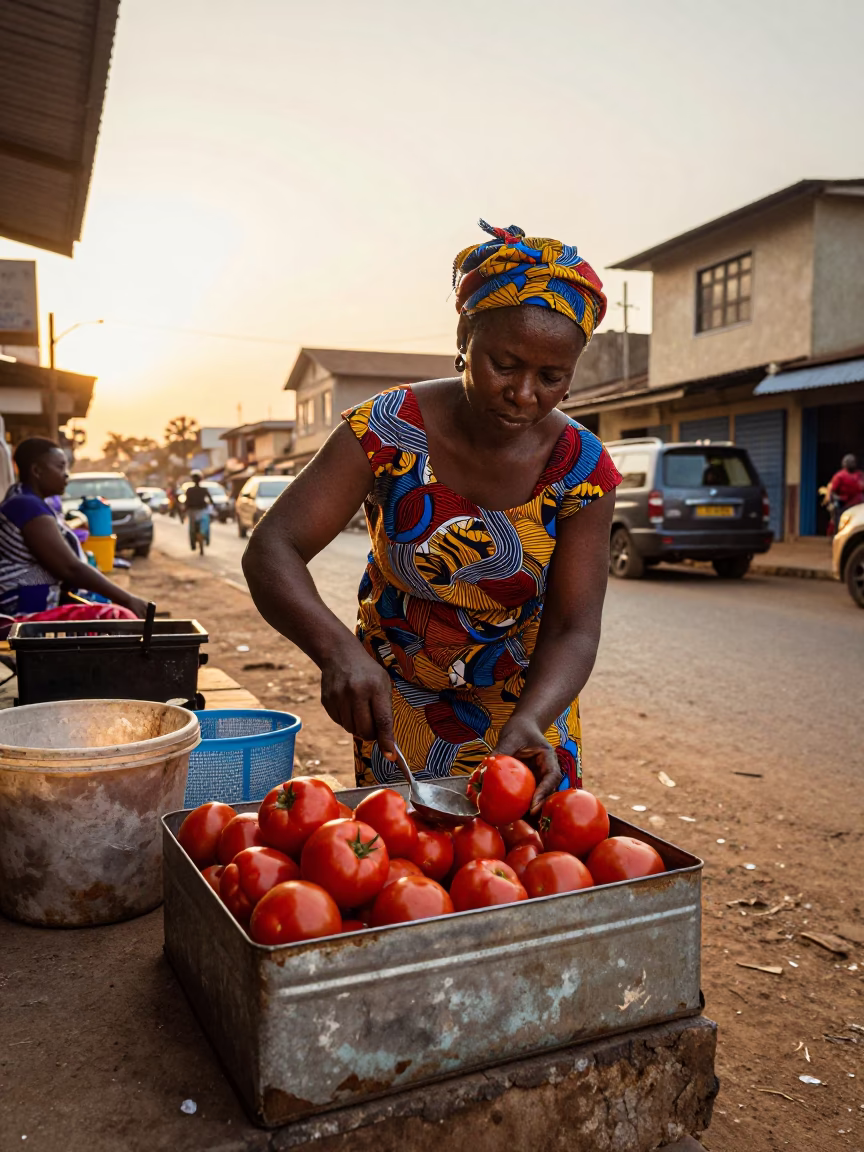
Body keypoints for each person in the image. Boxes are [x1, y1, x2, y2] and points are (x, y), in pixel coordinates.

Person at [244, 220, 621, 813]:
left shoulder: (581, 469)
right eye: (505, 363)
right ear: (464, 338)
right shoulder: (388, 428)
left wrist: (533, 720)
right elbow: (272, 549)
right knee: (400, 872)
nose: (523, 394)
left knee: (527, 875)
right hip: (397, 706)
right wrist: (338, 652)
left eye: (551, 378)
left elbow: (575, 626)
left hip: (525, 714)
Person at [0, 437, 149, 622]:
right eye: (60, 467)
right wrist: (127, 599)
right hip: (20, 611)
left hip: (27, 602)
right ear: (37, 470)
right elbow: (70, 568)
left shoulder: (25, 501)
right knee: (118, 616)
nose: (66, 474)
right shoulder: (26, 506)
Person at [827, 453, 864, 531]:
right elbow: (833, 491)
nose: (851, 463)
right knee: (841, 526)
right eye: (849, 462)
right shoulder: (839, 476)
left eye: (853, 461)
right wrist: (835, 502)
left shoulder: (860, 475)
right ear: (844, 464)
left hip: (859, 506)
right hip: (844, 507)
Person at [184, 472, 214, 550]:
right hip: (200, 510)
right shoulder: (203, 489)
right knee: (204, 524)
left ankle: (193, 544)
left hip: (193, 511)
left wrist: (185, 509)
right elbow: (211, 500)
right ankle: (206, 539)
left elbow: (186, 502)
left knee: (192, 527)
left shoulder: (189, 490)